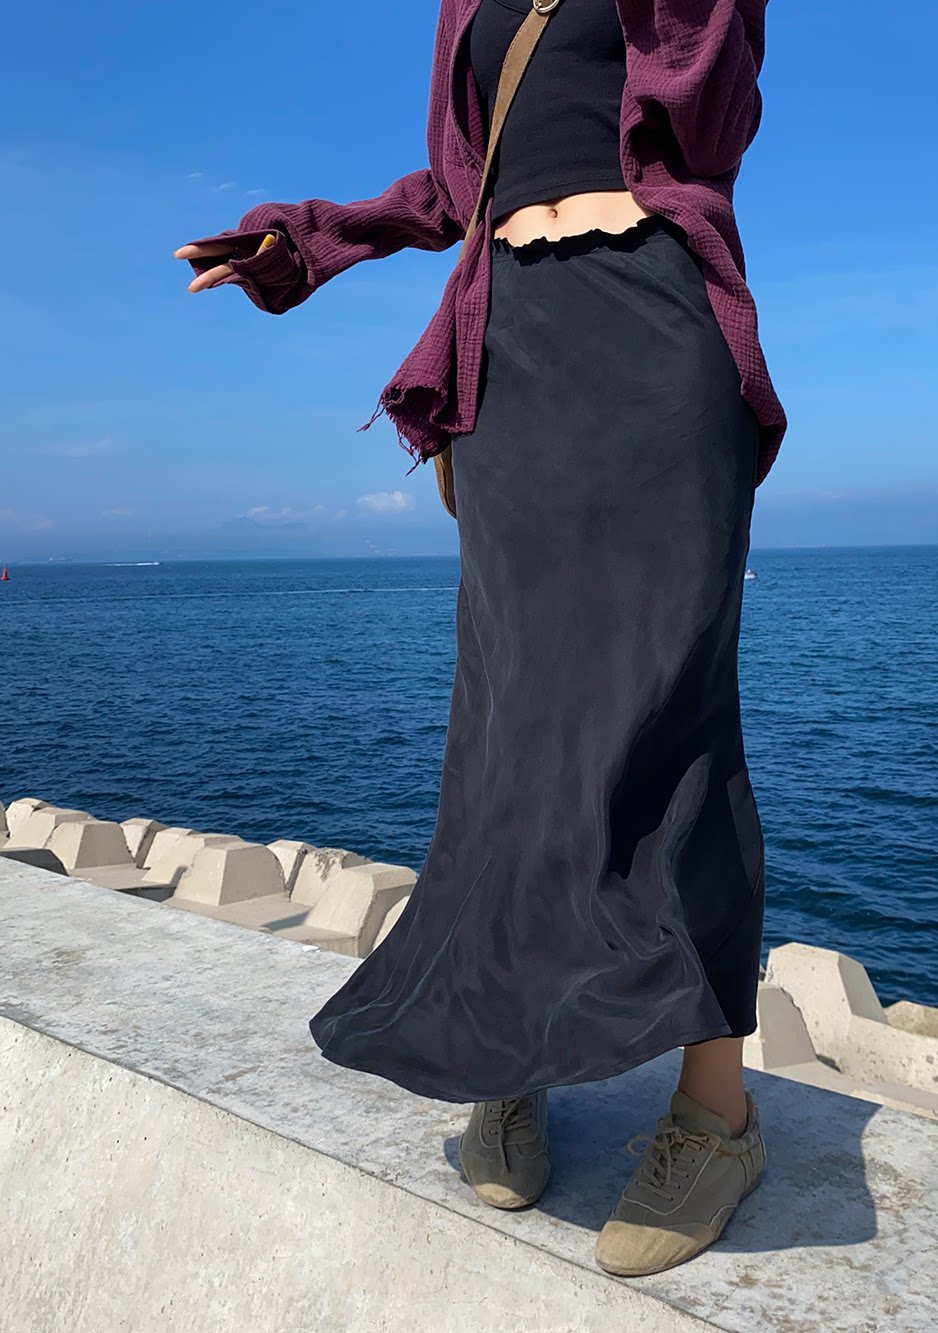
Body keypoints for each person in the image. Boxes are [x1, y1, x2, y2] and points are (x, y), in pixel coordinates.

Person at [175, 0, 785, 1278]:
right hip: (511, 357)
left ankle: (716, 1116)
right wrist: (302, 238)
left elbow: (713, 103)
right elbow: (455, 188)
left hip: (654, 326)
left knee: (675, 712)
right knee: (509, 726)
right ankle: (504, 1057)